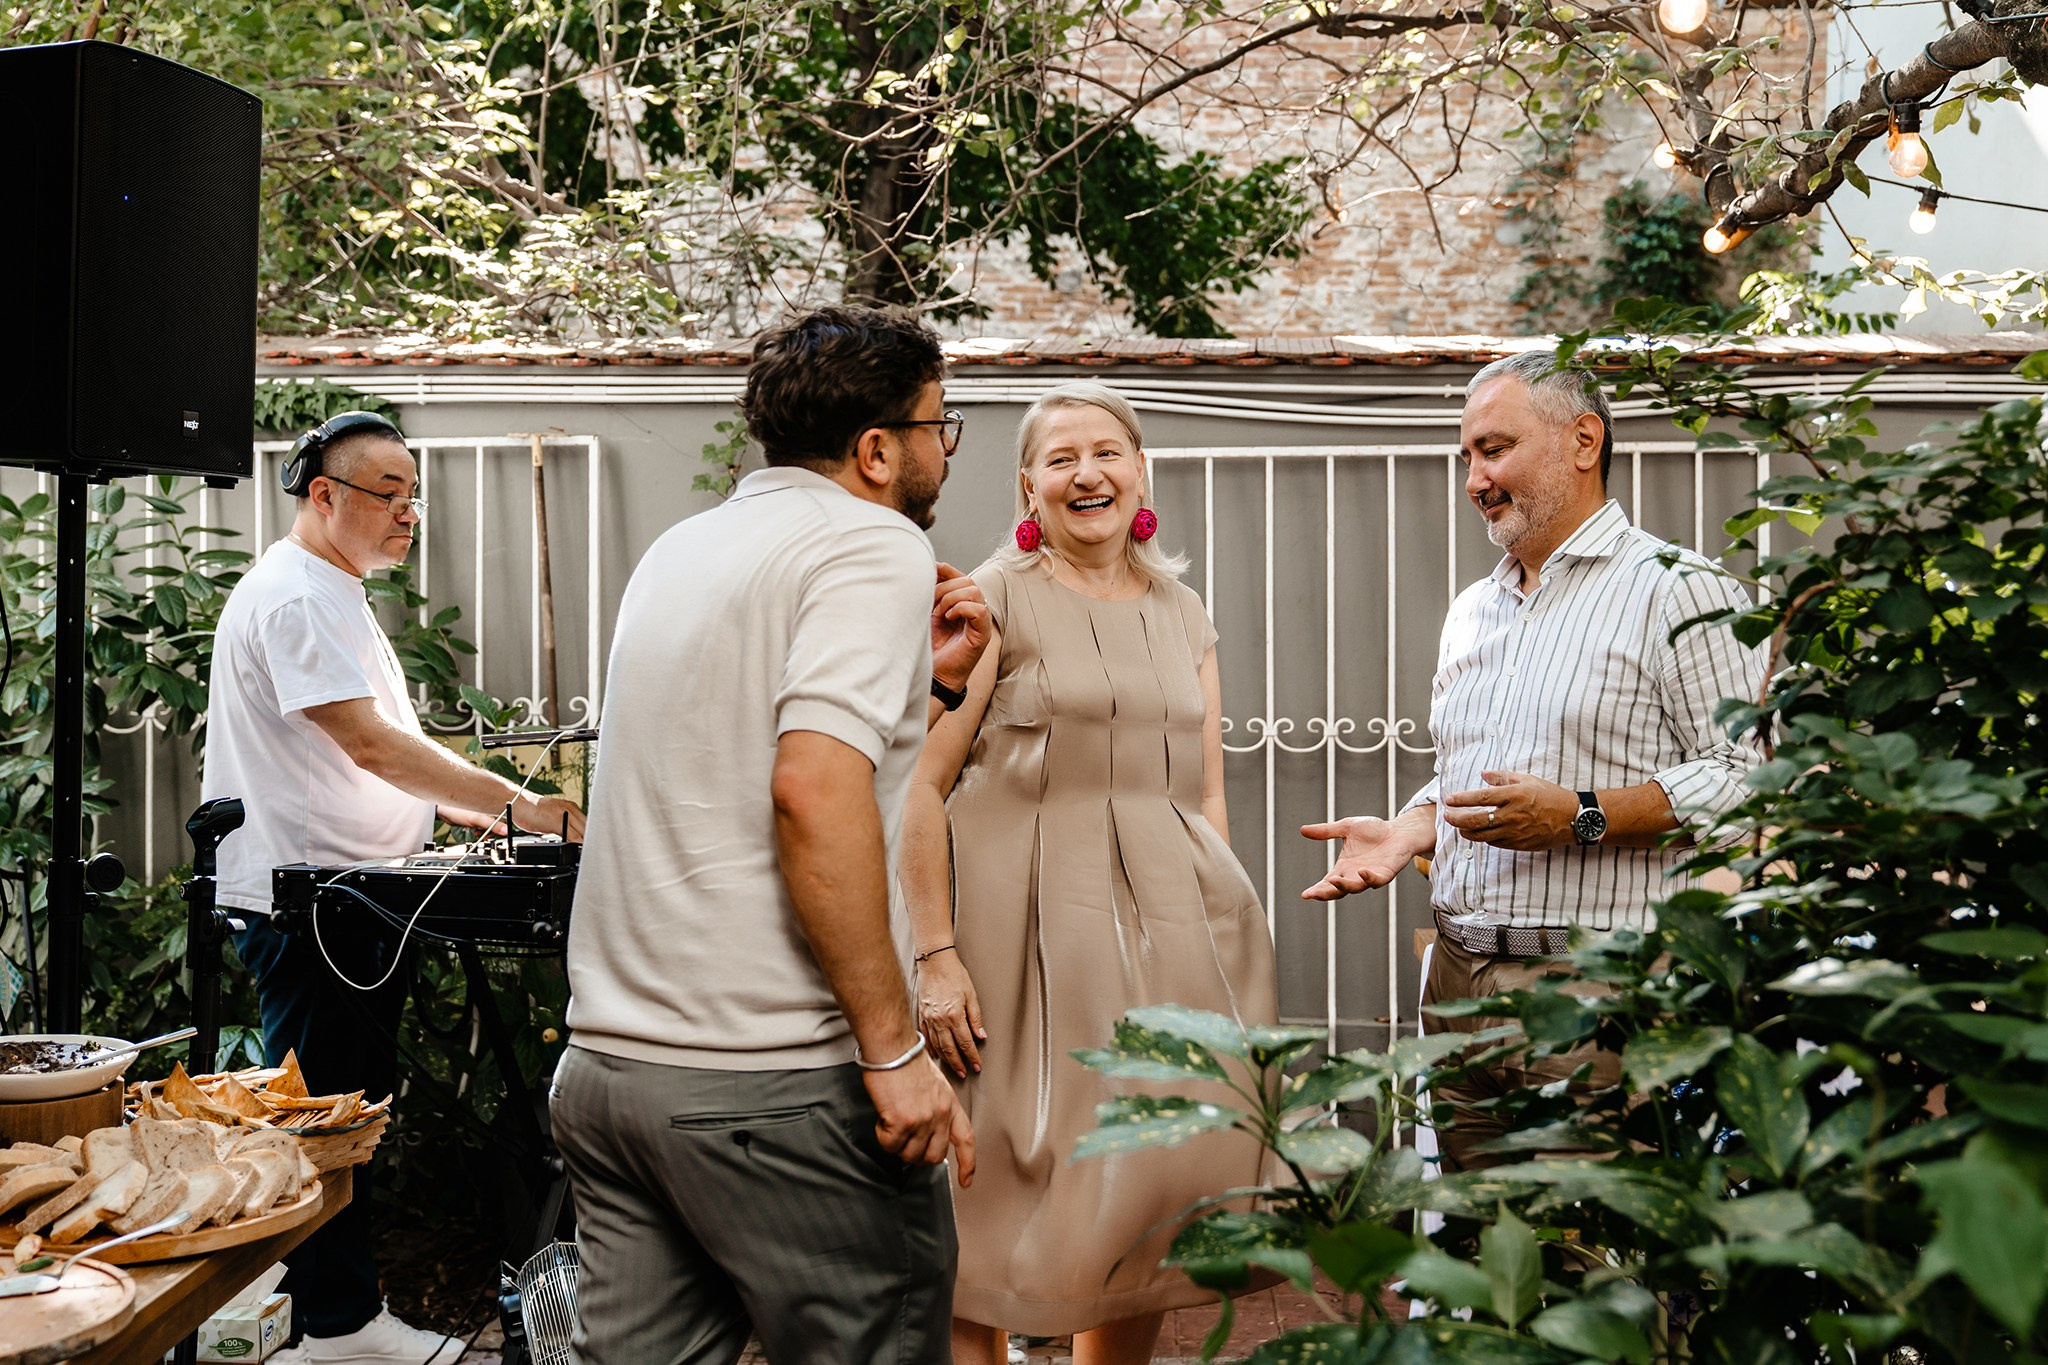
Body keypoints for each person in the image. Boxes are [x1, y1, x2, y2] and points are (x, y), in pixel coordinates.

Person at [553, 305, 988, 1365]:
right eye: (941, 424)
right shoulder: (869, 541)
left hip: (610, 1078)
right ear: (878, 449)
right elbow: (809, 792)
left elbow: (735, 759)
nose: (945, 448)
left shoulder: (683, 548)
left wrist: (929, 685)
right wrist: (893, 1053)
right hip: (767, 1087)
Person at [1299, 351, 1767, 1171]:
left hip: (1595, 997)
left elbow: (1747, 773)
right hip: (1456, 982)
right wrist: (1416, 825)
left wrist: (1582, 814)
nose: (1475, 478)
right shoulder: (1475, 609)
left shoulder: (1681, 589)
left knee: (1596, 1271)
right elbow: (1472, 771)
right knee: (1486, 1264)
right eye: (1467, 458)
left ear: (1583, 440)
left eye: (1494, 448)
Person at [904, 381, 1279, 1365]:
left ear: (1139, 469)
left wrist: (1222, 939)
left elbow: (1203, 795)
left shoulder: (1182, 610)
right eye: (1060, 458)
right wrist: (933, 952)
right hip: (1011, 940)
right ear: (1028, 487)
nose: (1086, 473)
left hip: (1168, 938)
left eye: (1106, 451)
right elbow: (918, 785)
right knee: (989, 1202)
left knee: (1143, 1197)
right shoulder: (988, 604)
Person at [204, 410, 586, 1364]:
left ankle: (339, 1317)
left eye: (415, 493)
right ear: (322, 494)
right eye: (389, 492)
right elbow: (370, 743)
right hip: (316, 903)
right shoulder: (296, 596)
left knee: (352, 1105)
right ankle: (330, 1327)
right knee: (327, 1120)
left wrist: (470, 817)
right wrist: (523, 808)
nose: (410, 511)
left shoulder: (334, 589)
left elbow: (371, 760)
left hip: (355, 894)